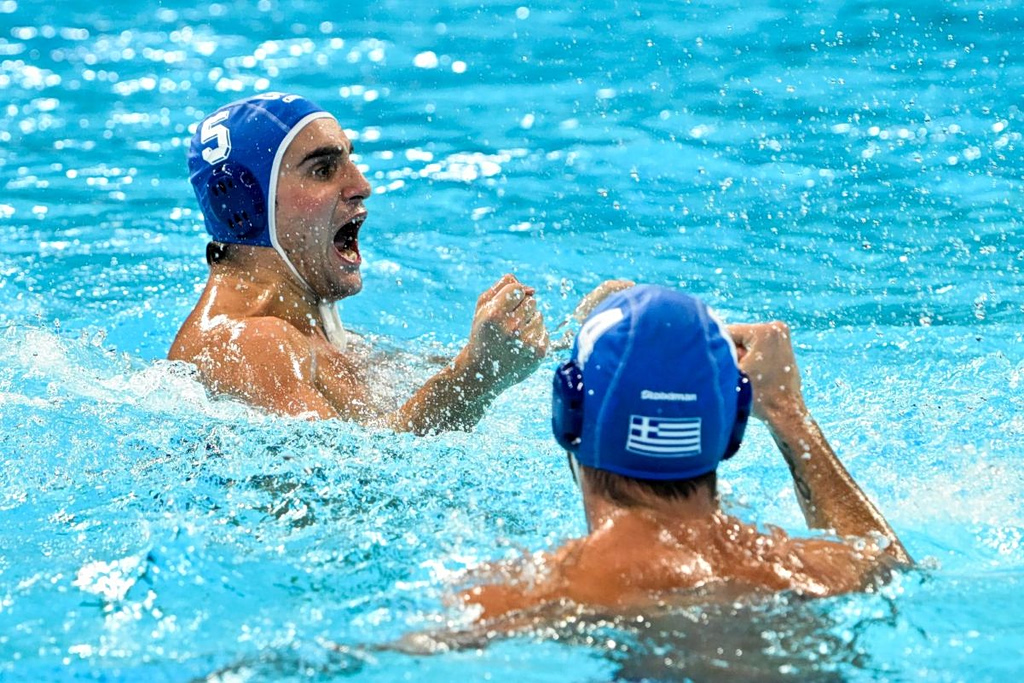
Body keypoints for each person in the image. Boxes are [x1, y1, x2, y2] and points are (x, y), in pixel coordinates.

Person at [169, 92, 623, 432]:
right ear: (247, 204)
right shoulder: (247, 343)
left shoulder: (312, 325)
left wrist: (570, 341)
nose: (361, 184)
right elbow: (349, 482)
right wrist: (477, 375)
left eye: (352, 161)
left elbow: (403, 381)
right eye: (324, 169)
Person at [460, 285, 912, 622]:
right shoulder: (825, 573)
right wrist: (787, 412)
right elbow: (895, 569)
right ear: (731, 425)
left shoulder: (524, 599)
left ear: (569, 416)